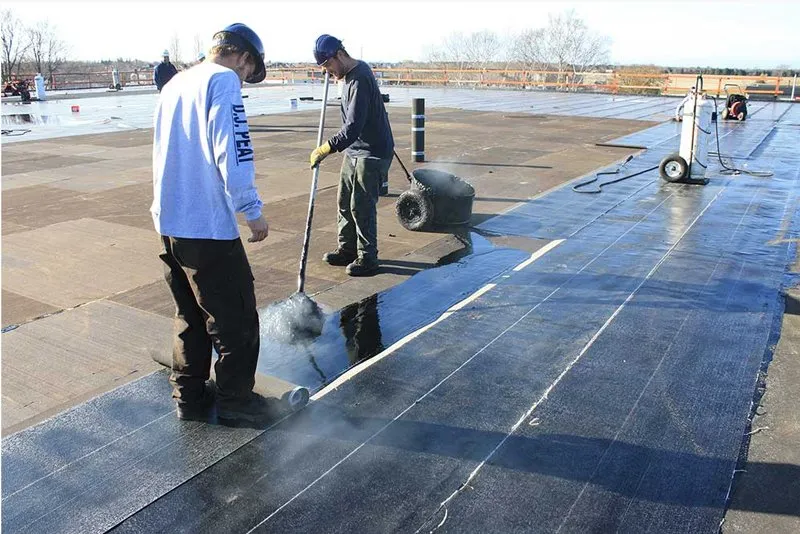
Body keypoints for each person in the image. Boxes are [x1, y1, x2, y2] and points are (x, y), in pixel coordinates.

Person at [151, 23, 270, 424]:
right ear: (244, 58)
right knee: (234, 319)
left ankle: (189, 396)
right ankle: (236, 401)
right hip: (206, 226)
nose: (244, 80)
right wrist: (251, 211)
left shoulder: (175, 84)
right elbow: (234, 151)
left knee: (189, 317)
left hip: (169, 224)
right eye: (247, 74)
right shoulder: (222, 81)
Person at [309, 34, 394, 277]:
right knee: (344, 200)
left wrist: (326, 148)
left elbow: (353, 126)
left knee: (361, 205)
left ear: (340, 55)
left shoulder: (360, 78)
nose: (327, 72)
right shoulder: (346, 77)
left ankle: (368, 257)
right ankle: (347, 249)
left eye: (328, 65)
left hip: (373, 151)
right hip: (355, 149)